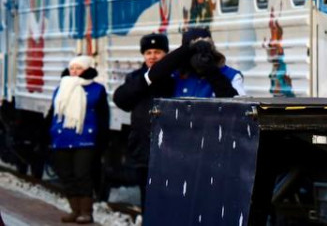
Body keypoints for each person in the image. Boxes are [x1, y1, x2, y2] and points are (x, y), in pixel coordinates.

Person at [112, 33, 174, 207]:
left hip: (168, 145)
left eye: (157, 52)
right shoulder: (135, 78)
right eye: (148, 52)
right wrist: (146, 80)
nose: (152, 56)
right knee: (146, 194)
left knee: (167, 195)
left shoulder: (174, 77)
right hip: (142, 146)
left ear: (165, 54)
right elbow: (122, 101)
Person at [48, 55, 109, 224]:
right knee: (66, 174)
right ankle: (74, 210)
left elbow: (104, 116)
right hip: (61, 137)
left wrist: (103, 140)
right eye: (72, 68)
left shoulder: (97, 89)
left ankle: (86, 212)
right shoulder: (61, 87)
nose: (74, 71)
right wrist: (46, 134)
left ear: (87, 69)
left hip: (86, 138)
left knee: (82, 174)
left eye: (79, 68)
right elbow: (52, 113)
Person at [147, 27, 245, 98]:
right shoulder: (176, 75)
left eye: (204, 51)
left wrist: (212, 72)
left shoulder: (231, 75)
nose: (199, 56)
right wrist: (187, 49)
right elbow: (152, 75)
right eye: (195, 52)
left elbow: (239, 109)